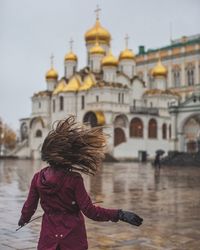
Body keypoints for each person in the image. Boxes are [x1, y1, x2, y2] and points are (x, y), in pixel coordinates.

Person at [18, 116, 143, 250]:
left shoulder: (38, 178)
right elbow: (90, 211)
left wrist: (24, 219)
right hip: (72, 240)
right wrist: (120, 214)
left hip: (48, 240)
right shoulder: (74, 179)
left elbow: (29, 207)